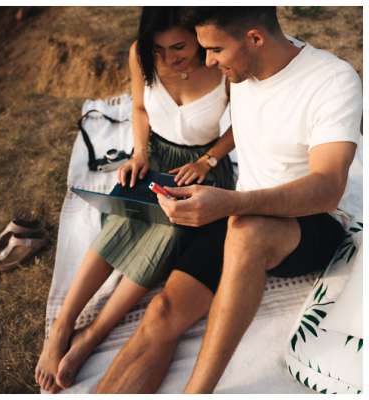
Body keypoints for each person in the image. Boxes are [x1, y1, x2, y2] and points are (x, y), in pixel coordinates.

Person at [93, 6, 362, 394]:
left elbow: (328, 187)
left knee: (246, 231)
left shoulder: (331, 80)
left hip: (313, 224)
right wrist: (205, 168)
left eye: (215, 50)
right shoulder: (240, 67)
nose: (207, 61)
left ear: (255, 38)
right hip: (242, 209)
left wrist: (231, 204)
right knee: (163, 311)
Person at [35, 6, 235, 394]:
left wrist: (208, 161)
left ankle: (92, 336)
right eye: (157, 49)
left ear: (198, 36)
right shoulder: (138, 54)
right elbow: (140, 108)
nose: (168, 58)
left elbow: (243, 124)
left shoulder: (221, 61)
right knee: (122, 215)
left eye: (178, 47)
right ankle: (62, 326)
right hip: (154, 154)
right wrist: (139, 153)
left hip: (200, 167)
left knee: (166, 235)